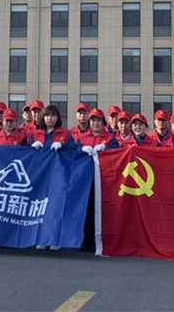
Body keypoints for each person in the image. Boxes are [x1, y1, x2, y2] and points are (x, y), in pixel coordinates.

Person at [29, 104, 74, 251]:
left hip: (59, 176)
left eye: (53, 115)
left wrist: (63, 146)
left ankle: (56, 238)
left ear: (57, 118)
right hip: (41, 176)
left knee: (56, 207)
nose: (50, 118)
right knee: (40, 207)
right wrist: (32, 146)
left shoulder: (65, 134)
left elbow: (74, 150)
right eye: (47, 115)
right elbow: (26, 154)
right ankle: (41, 238)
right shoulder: (35, 134)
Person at [77, 108, 119, 252]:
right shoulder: (82, 138)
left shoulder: (110, 138)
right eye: (93, 120)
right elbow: (73, 152)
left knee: (103, 211)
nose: (95, 123)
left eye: (98, 121)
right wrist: (81, 150)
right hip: (86, 180)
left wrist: (106, 147)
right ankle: (88, 240)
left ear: (103, 122)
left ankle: (101, 240)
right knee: (87, 211)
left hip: (104, 181)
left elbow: (117, 152)